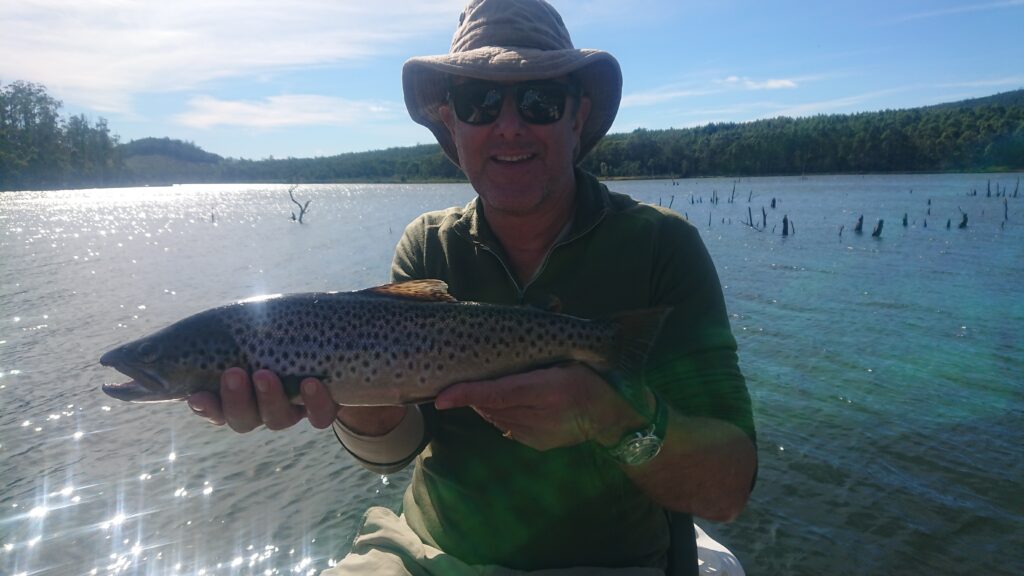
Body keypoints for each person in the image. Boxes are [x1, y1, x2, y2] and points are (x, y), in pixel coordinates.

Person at [186, 0, 757, 573]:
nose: (508, 125)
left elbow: (727, 488)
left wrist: (607, 418)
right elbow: (395, 449)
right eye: (478, 102)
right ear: (452, 123)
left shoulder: (661, 247)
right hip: (428, 553)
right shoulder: (427, 246)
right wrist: (343, 399)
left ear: (577, 116)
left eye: (539, 100)